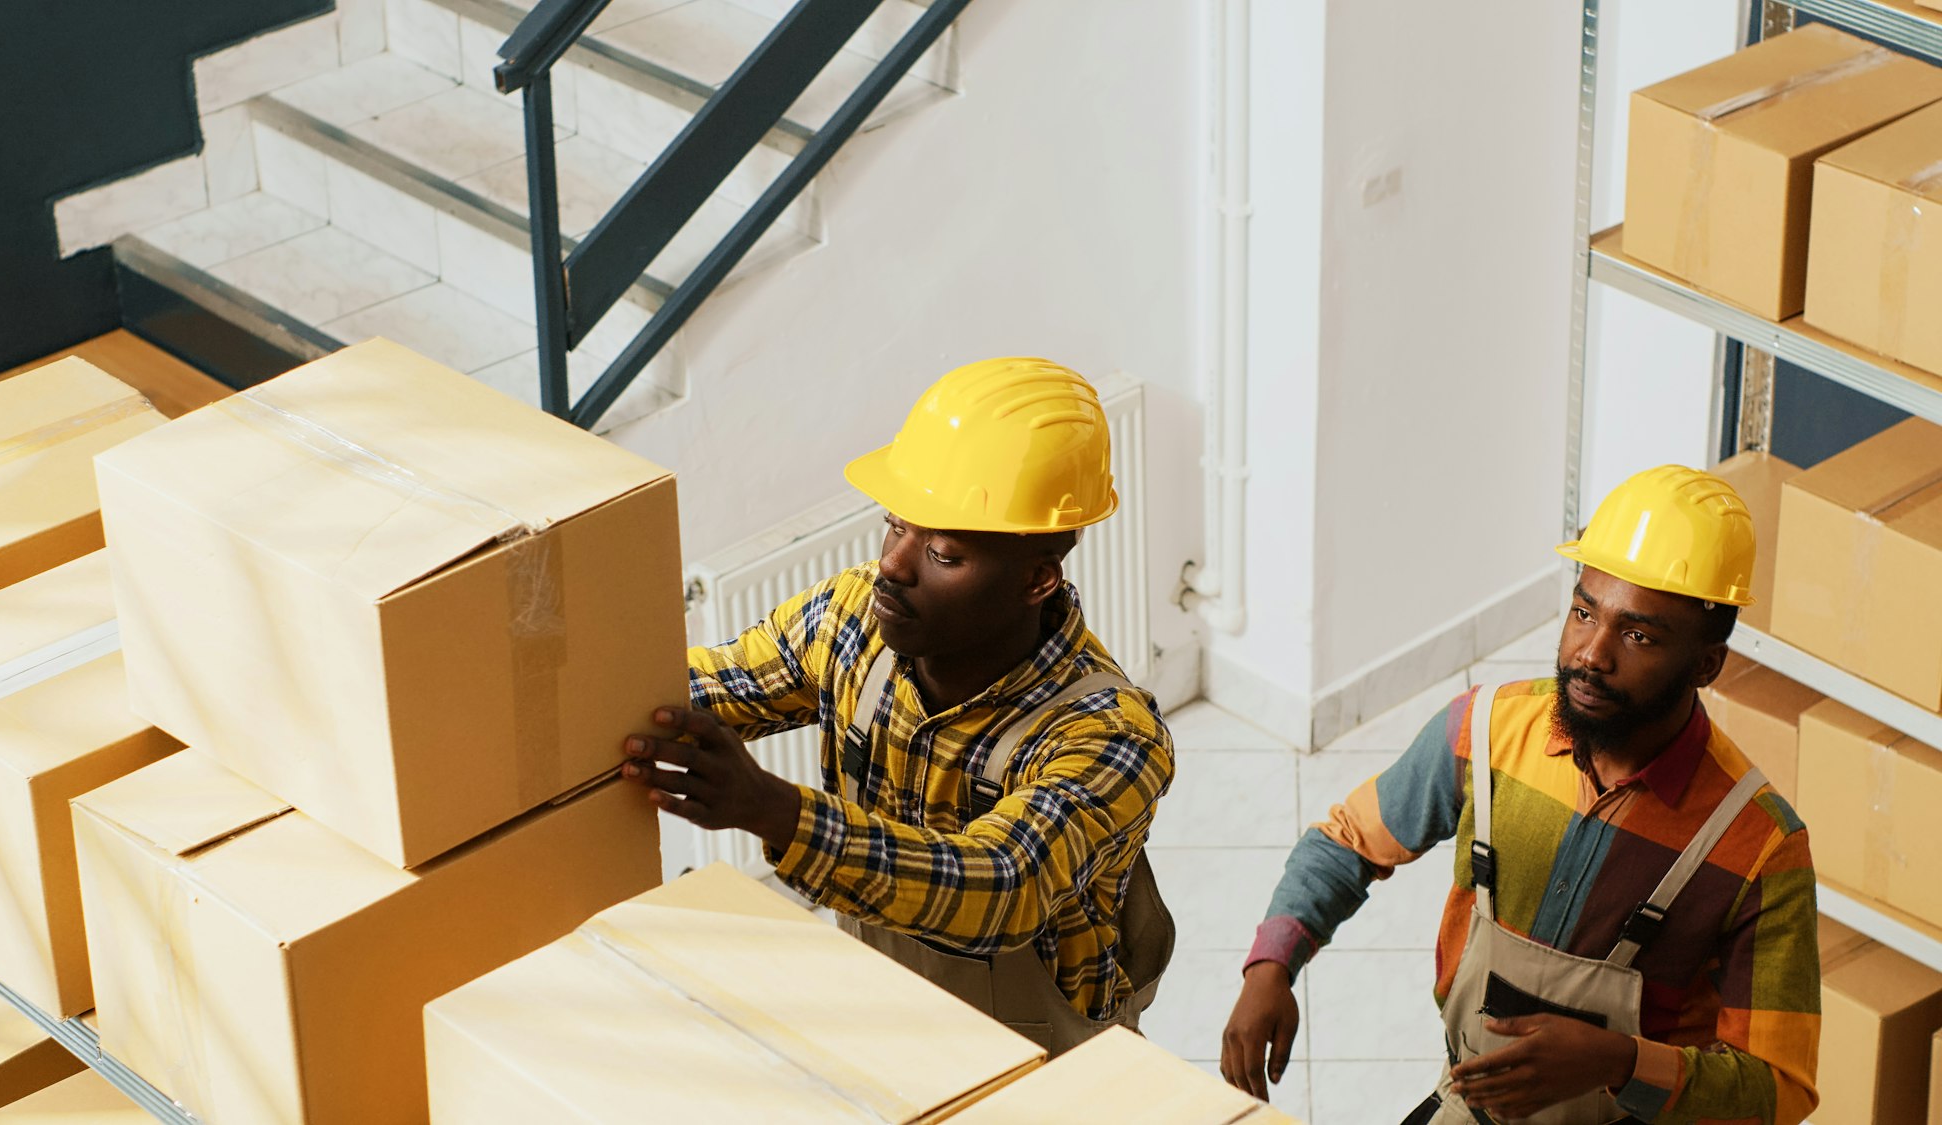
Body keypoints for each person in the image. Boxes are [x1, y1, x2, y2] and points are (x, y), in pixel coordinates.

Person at [1220, 465, 1818, 1124]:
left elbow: (1777, 1087)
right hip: (1471, 1108)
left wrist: (1618, 1060)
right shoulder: (1486, 731)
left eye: (1638, 634)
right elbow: (1348, 843)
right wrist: (1272, 964)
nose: (1591, 652)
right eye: (1584, 611)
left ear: (1706, 663)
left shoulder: (1758, 844)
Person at [621, 356, 1176, 1054]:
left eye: (942, 553)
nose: (893, 563)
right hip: (888, 1010)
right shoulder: (853, 620)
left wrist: (771, 808)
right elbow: (711, 685)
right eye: (895, 526)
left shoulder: (1110, 732)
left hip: (1050, 1059)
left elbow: (1000, 887)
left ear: (1037, 580)